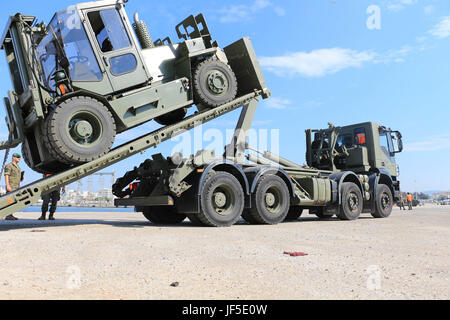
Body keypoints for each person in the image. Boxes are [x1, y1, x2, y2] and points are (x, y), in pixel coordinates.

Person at [4, 153, 24, 220]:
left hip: (16, 186)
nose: (19, 158)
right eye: (17, 157)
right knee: (9, 201)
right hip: (11, 186)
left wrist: (21, 178)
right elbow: (6, 175)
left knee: (13, 202)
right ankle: (8, 215)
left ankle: (11, 215)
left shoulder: (18, 167)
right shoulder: (9, 166)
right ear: (13, 157)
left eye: (19, 157)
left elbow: (16, 176)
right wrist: (7, 185)